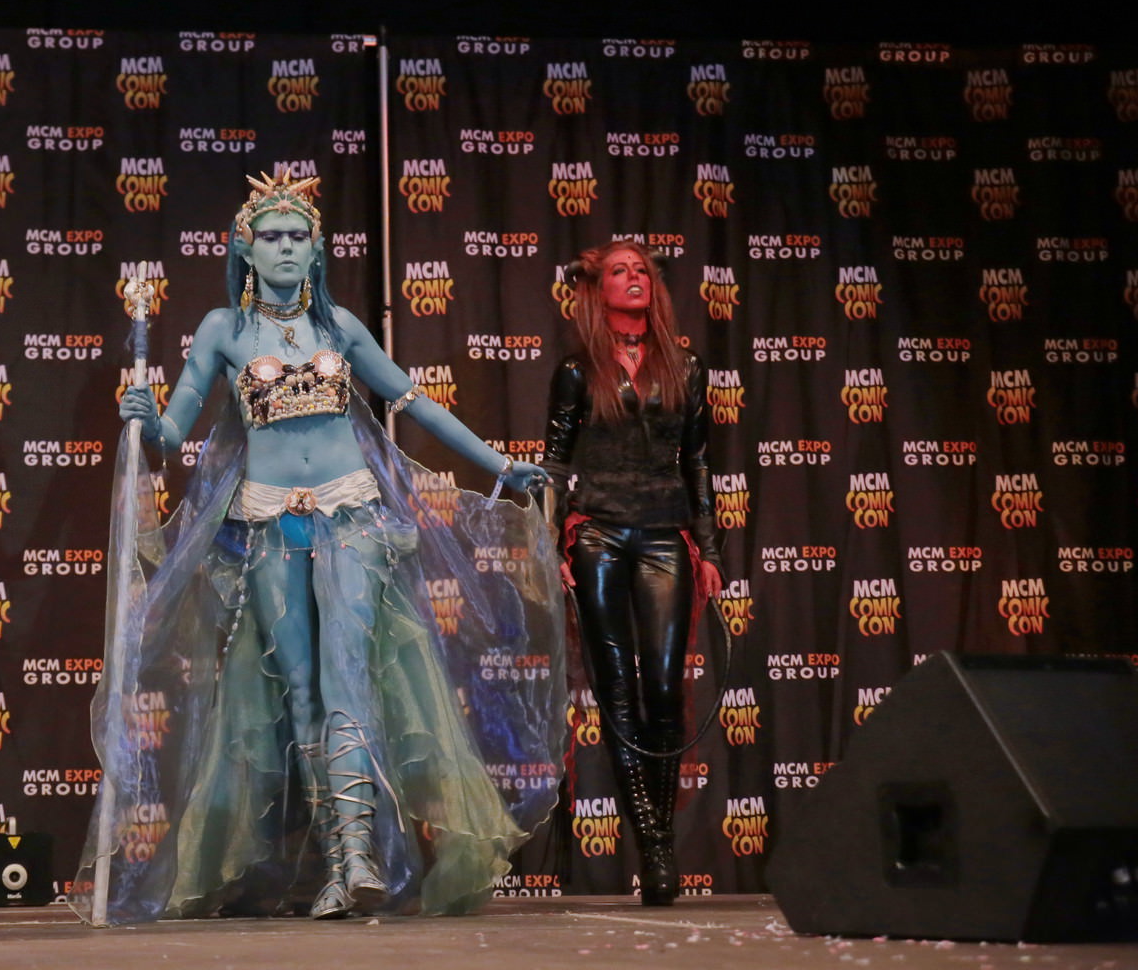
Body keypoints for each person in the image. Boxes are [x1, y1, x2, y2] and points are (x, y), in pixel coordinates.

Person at [74, 172, 566, 924]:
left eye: (297, 236)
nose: (284, 248)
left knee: (347, 677)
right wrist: (144, 417)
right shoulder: (223, 329)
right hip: (268, 522)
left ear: (317, 248)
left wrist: (500, 465)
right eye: (270, 236)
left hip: (353, 516)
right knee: (301, 691)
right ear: (245, 248)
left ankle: (359, 858)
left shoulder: (339, 328)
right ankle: (337, 861)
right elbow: (173, 433)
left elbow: (415, 403)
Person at [543, 240, 724, 906]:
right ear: (599, 289)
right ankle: (654, 844)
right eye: (620, 271)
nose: (634, 278)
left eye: (641, 270)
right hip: (596, 531)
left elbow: (698, 461)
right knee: (616, 689)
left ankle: (659, 835)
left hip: (664, 532)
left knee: (665, 686)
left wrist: (710, 550)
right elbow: (555, 462)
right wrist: (551, 547)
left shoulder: (686, 366)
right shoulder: (576, 369)